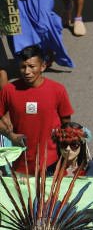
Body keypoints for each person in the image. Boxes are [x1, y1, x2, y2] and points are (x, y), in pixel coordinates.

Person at [0, 45, 74, 174]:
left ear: (43, 67)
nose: (27, 71)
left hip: (52, 166)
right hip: (21, 167)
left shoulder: (58, 90)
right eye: (23, 66)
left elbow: (66, 125)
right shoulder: (8, 90)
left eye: (32, 66)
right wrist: (11, 136)